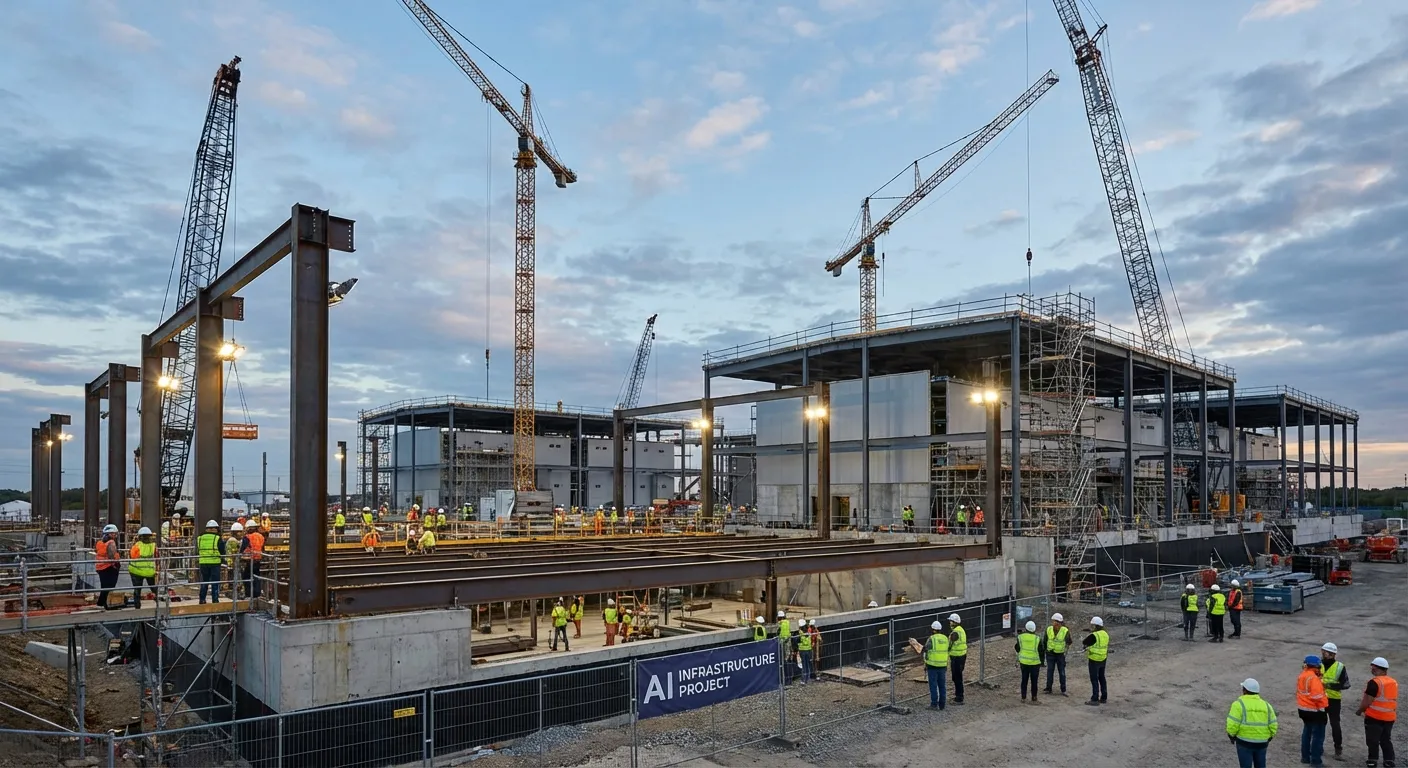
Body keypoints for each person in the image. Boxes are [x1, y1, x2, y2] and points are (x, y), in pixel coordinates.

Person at [1227, 677, 1278, 768]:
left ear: (1244, 690)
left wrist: (1231, 735)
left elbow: (1232, 724)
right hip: (1262, 743)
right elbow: (1273, 724)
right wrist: (1269, 737)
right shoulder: (1267, 705)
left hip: (1244, 742)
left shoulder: (1238, 704)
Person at [1355, 657, 1396, 768]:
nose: (1371, 668)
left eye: (1373, 666)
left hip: (1375, 717)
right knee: (1386, 739)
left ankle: (1372, 760)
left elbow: (1368, 701)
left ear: (1376, 668)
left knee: (1372, 740)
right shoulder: (1393, 682)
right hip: (1389, 717)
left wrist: (1360, 711)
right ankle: (1389, 760)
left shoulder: (1374, 683)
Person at [1298, 655, 1329, 767]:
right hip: (1315, 711)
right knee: (1318, 736)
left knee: (1307, 733)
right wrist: (1323, 709)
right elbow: (1317, 697)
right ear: (1317, 666)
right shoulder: (1314, 679)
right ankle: (1316, 761)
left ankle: (1305, 757)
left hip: (1303, 709)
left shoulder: (1303, 675)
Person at [1321, 642, 1350, 761]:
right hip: (1320, 699)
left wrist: (1329, 685)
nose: (1323, 654)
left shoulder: (1340, 667)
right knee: (1319, 724)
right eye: (1322, 651)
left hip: (1333, 700)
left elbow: (1346, 684)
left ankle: (1338, 749)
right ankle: (1319, 747)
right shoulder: (1318, 664)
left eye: (1325, 652)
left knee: (1335, 725)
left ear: (1332, 654)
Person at [196, 520, 227, 605]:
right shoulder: (217, 538)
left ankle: (202, 599)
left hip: (203, 563)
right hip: (215, 563)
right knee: (215, 582)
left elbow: (197, 550)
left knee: (204, 582)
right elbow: (222, 551)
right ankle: (215, 600)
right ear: (215, 529)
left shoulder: (200, 538)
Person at [128, 526, 158, 608]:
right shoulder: (153, 546)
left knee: (137, 590)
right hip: (149, 572)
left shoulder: (136, 546)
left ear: (139, 537)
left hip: (136, 571)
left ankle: (137, 607)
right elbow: (157, 557)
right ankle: (159, 604)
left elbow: (132, 556)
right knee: (154, 588)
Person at [923, 620, 949, 709]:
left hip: (932, 666)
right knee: (942, 685)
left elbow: (926, 649)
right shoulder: (945, 638)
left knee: (933, 685)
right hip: (942, 665)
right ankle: (942, 704)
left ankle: (934, 704)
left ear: (933, 629)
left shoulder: (932, 639)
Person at [1083, 616, 1109, 705]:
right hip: (1103, 658)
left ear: (1095, 626)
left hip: (1094, 659)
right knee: (1102, 677)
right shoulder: (1105, 634)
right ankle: (1104, 697)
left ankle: (1095, 698)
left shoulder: (1094, 635)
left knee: (1094, 679)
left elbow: (1085, 642)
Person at [94, 524, 121, 610]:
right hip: (109, 567)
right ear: (110, 534)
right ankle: (105, 603)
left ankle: (101, 603)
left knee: (104, 586)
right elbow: (111, 556)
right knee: (110, 586)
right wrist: (116, 564)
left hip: (100, 567)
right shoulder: (111, 543)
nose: (115, 535)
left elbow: (98, 553)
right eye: (114, 534)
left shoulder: (99, 543)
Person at [1043, 612, 1070, 696]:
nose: (1055, 623)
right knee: (1050, 671)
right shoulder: (1048, 629)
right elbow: (1045, 641)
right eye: (1054, 621)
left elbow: (1069, 642)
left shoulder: (1065, 631)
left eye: (1056, 622)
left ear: (1060, 623)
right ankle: (1048, 688)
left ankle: (1063, 689)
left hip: (1060, 655)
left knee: (1061, 672)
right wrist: (1045, 651)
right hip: (1050, 653)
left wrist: (1065, 652)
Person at [1017, 620, 1044, 704]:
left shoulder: (1020, 637)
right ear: (1034, 629)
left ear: (1026, 628)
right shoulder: (1037, 639)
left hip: (1023, 662)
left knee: (1024, 680)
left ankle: (1023, 697)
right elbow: (1041, 651)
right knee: (1034, 681)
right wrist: (1042, 662)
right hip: (1035, 663)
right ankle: (1034, 698)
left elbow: (1017, 648)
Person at [240, 520, 265, 599]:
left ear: (249, 528)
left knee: (246, 577)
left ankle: (248, 594)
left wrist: (240, 555)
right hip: (258, 559)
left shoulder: (247, 537)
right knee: (256, 577)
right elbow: (262, 547)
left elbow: (242, 548)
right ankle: (257, 594)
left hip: (249, 560)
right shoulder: (261, 536)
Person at [947, 613, 967, 705]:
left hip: (956, 658)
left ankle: (959, 697)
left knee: (957, 677)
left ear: (954, 622)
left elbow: (950, 645)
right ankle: (958, 695)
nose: (950, 623)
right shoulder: (961, 630)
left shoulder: (955, 632)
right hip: (962, 656)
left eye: (951, 621)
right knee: (958, 676)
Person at [796, 619, 815, 684]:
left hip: (802, 650)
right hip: (809, 650)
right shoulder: (808, 631)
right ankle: (809, 678)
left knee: (804, 665)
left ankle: (804, 679)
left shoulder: (799, 633)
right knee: (809, 664)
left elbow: (798, 641)